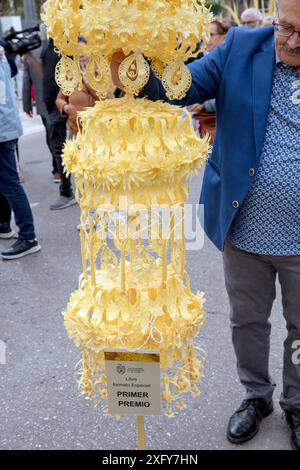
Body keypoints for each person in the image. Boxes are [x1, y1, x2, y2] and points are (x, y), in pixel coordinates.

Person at [111, 0, 300, 450]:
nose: (291, 41)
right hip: (245, 228)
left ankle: (296, 402)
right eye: (285, 28)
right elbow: (181, 86)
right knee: (247, 321)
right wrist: (134, 64)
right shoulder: (240, 46)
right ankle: (257, 397)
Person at [0, 46, 41, 260]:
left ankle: (28, 237)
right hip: (5, 127)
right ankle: (4, 224)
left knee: (10, 184)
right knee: (5, 182)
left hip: (3, 130)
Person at [22, 47, 60, 183]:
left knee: (52, 136)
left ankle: (58, 170)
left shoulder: (31, 52)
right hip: (64, 99)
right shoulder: (57, 47)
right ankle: (60, 168)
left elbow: (27, 80)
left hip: (45, 102)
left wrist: (26, 104)